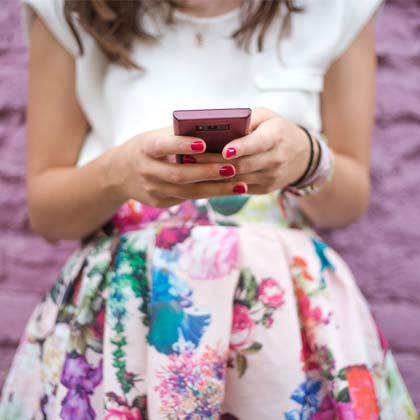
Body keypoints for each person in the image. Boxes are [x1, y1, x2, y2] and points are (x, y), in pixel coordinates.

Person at [0, 0, 418, 418]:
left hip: (287, 329)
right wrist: (118, 173)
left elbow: (348, 201)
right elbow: (48, 213)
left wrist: (306, 158)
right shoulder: (68, 9)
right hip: (127, 316)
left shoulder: (338, 9)